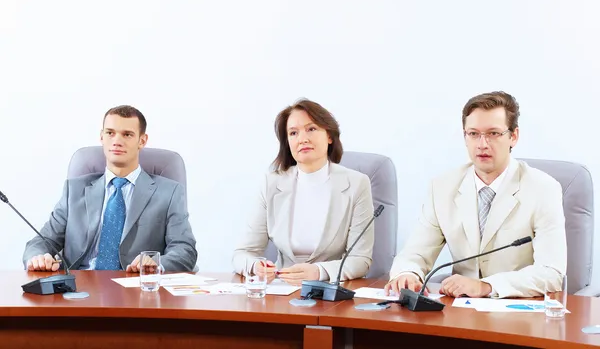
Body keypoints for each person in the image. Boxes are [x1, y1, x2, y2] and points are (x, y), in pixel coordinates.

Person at [385, 91, 566, 298]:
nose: (482, 144)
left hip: (519, 311)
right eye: (473, 134)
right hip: (460, 312)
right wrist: (407, 272)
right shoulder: (443, 187)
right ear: (465, 136)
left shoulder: (543, 188)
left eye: (493, 133)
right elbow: (415, 252)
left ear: (513, 136)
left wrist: (486, 286)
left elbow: (552, 273)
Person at [23, 105, 198, 272]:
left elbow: (184, 249)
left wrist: (156, 263)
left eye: (127, 134)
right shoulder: (74, 190)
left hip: (136, 288)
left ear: (142, 140)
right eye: (110, 133)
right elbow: (42, 241)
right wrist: (38, 257)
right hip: (78, 288)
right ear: (101, 137)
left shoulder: (169, 192)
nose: (117, 141)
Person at [232, 98, 375, 285]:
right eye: (293, 133)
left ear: (329, 136)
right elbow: (243, 253)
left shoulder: (357, 184)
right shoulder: (271, 183)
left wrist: (318, 272)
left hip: (331, 289)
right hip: (282, 291)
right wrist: (255, 266)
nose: (302, 139)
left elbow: (360, 259)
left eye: (311, 129)